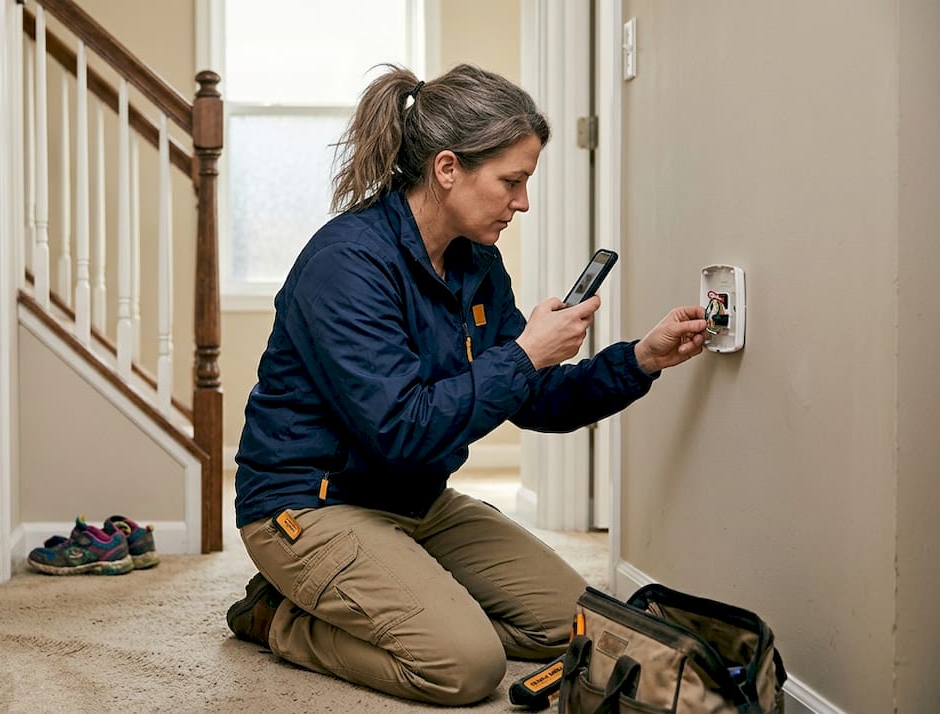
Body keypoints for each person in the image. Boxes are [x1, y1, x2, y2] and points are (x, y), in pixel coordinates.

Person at [225, 63, 707, 706]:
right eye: (512, 181)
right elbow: (402, 429)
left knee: (578, 631)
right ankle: (278, 617)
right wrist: (525, 355)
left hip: (414, 500)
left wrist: (640, 359)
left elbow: (534, 399)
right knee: (464, 666)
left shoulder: (476, 264)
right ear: (448, 168)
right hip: (309, 505)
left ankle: (398, 591)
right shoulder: (346, 265)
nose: (523, 202)